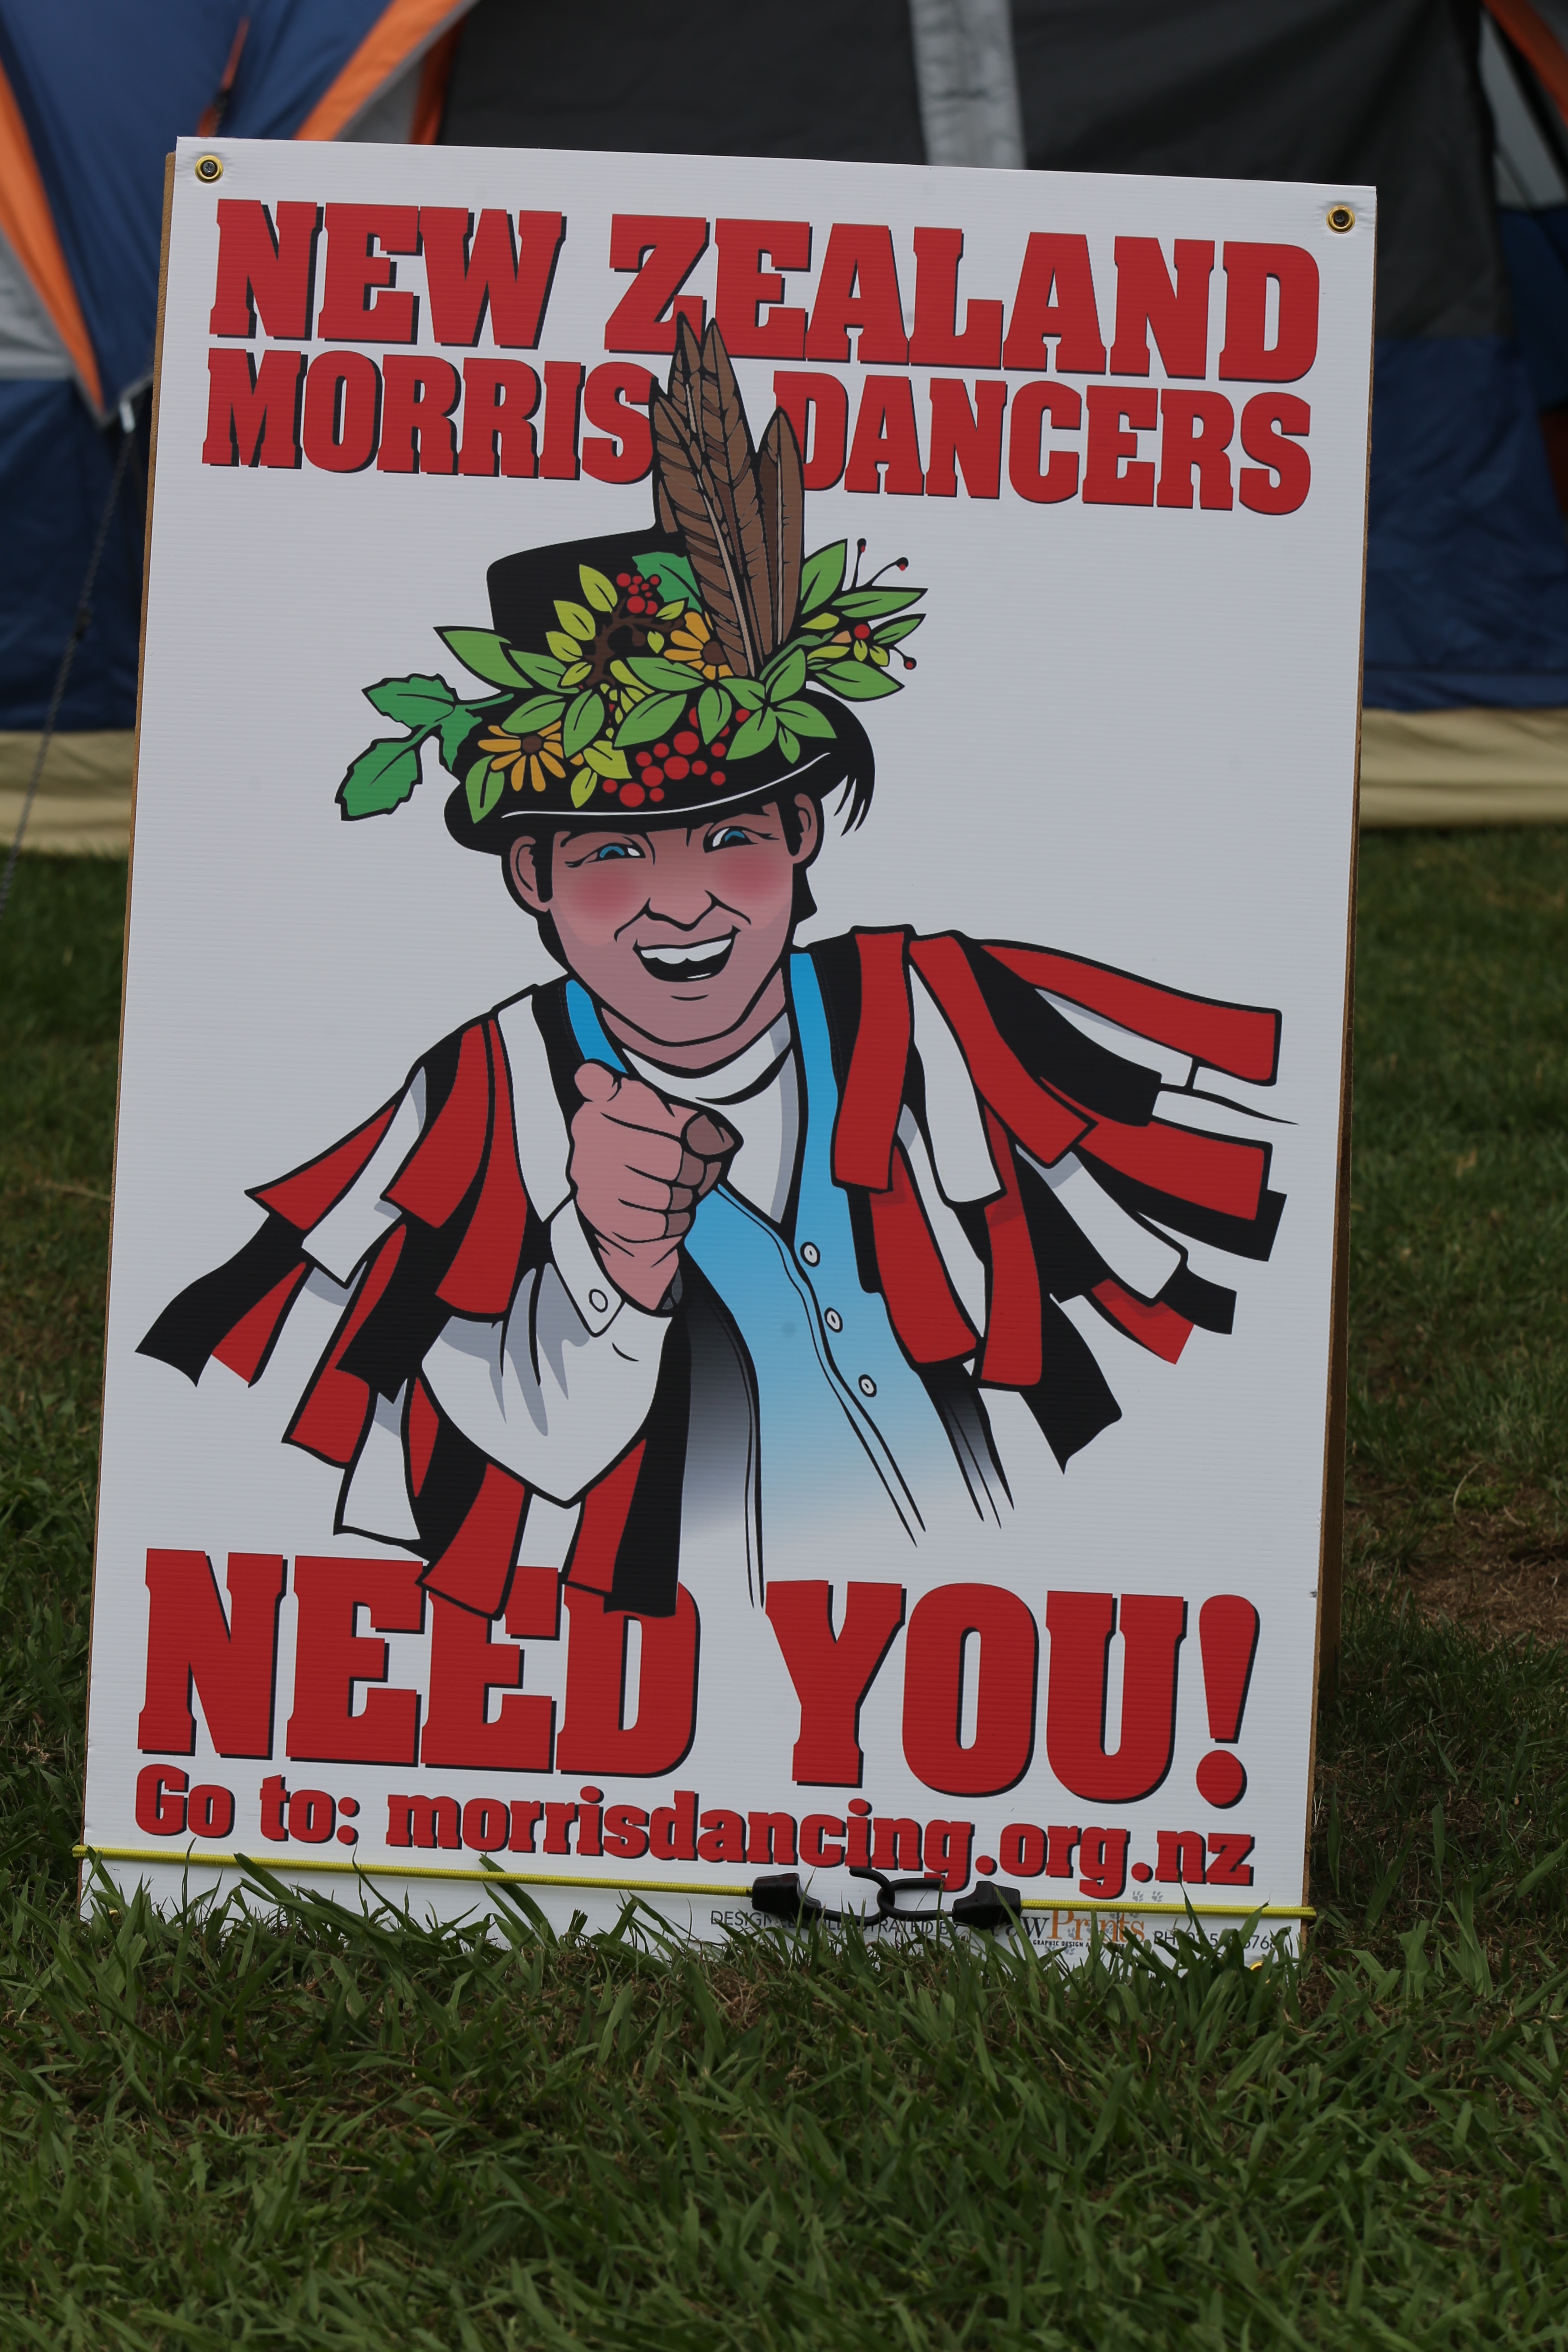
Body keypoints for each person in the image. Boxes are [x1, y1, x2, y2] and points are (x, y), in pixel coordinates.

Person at [142, 323, 1286, 1624]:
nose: (681, 902)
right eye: (613, 854)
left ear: (801, 835)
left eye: (730, 838)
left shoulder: (936, 1010)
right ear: (532, 878)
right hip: (684, 1666)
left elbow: (1223, 1192)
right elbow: (516, 1438)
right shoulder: (484, 1093)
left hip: (992, 1619)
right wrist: (611, 1262)